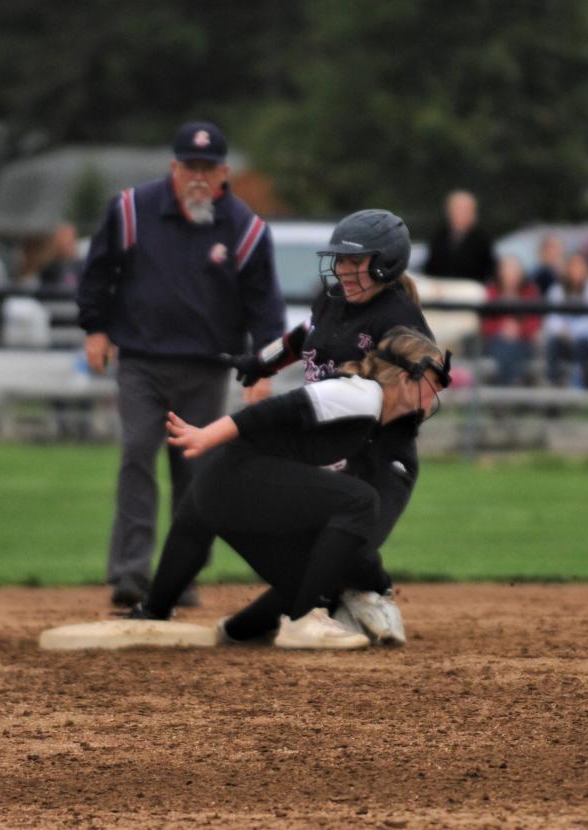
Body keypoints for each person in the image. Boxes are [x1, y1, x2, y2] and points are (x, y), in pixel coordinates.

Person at [130, 328, 451, 650]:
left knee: (317, 577)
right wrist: (207, 435)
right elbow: (274, 409)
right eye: (434, 375)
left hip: (224, 489)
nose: (439, 387)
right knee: (360, 500)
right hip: (234, 477)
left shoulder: (381, 427)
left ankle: (239, 630)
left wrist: (155, 607)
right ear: (404, 376)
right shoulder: (362, 395)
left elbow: (195, 520)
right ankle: (302, 619)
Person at [77, 120, 286, 608]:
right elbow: (98, 271)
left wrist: (264, 367)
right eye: (189, 166)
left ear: (223, 173)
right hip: (142, 362)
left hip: (206, 367)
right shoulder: (131, 211)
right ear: (173, 168)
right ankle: (129, 573)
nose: (198, 177)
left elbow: (265, 306)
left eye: (207, 168)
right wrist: (96, 328)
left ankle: (183, 574)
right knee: (136, 456)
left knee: (194, 473)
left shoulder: (245, 228)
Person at [210, 209, 436, 643]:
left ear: (386, 263)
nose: (344, 271)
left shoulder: (399, 318)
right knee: (308, 571)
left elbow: (424, 383)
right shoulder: (331, 300)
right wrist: (261, 363)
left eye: (357, 262)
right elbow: (301, 337)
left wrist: (399, 384)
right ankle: (327, 604)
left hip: (382, 458)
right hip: (332, 454)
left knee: (347, 550)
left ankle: (374, 592)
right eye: (340, 261)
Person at [544, 252, 588, 388]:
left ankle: (578, 386)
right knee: (552, 343)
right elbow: (551, 320)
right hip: (565, 341)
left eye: (580, 266)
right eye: (573, 266)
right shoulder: (558, 289)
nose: (576, 270)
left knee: (580, 344)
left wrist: (572, 331)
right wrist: (562, 330)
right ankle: (553, 385)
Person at [480, 255, 542, 386]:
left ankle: (504, 391)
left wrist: (518, 329)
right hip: (495, 341)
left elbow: (535, 322)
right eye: (507, 270)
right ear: (499, 272)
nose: (510, 274)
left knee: (512, 348)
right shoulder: (491, 292)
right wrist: (502, 328)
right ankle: (511, 387)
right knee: (504, 347)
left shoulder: (530, 291)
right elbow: (484, 323)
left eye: (514, 270)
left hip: (523, 340)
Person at [423, 190, 496, 283]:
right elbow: (430, 267)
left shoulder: (483, 238)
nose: (460, 213)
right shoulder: (439, 235)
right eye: (457, 209)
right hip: (441, 287)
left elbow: (487, 271)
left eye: (465, 209)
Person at [39, 223, 81, 290]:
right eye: (64, 239)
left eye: (70, 240)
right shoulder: (49, 267)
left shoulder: (80, 265)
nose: (67, 244)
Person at [530, 233, 566, 297]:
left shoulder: (567, 273)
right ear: (542, 251)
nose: (554, 252)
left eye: (557, 248)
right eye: (550, 248)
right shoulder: (537, 275)